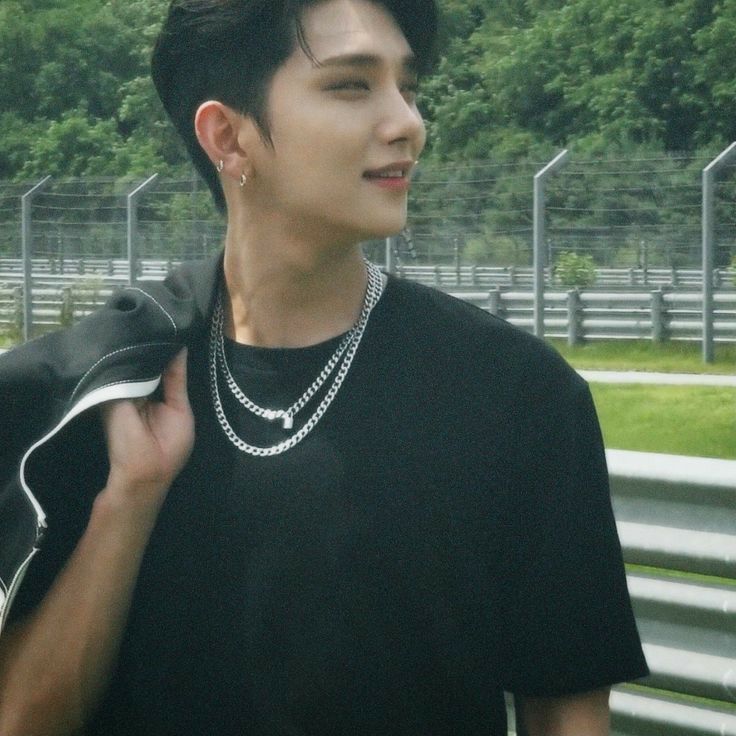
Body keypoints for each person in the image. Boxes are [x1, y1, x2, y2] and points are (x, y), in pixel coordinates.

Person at [0, 0, 648, 734]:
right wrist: (129, 501)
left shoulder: (518, 395)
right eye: (351, 85)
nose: (407, 122)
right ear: (227, 136)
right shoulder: (99, 386)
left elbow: (567, 714)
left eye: (409, 86)